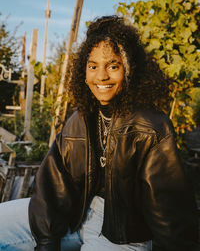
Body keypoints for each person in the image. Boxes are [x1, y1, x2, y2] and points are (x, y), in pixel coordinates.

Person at [0, 15, 199, 251]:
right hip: (77, 213)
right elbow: (53, 186)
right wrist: (46, 241)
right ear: (84, 71)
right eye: (93, 66)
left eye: (113, 66)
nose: (101, 76)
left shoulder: (152, 127)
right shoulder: (80, 119)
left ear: (130, 70)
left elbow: (169, 209)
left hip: (126, 232)